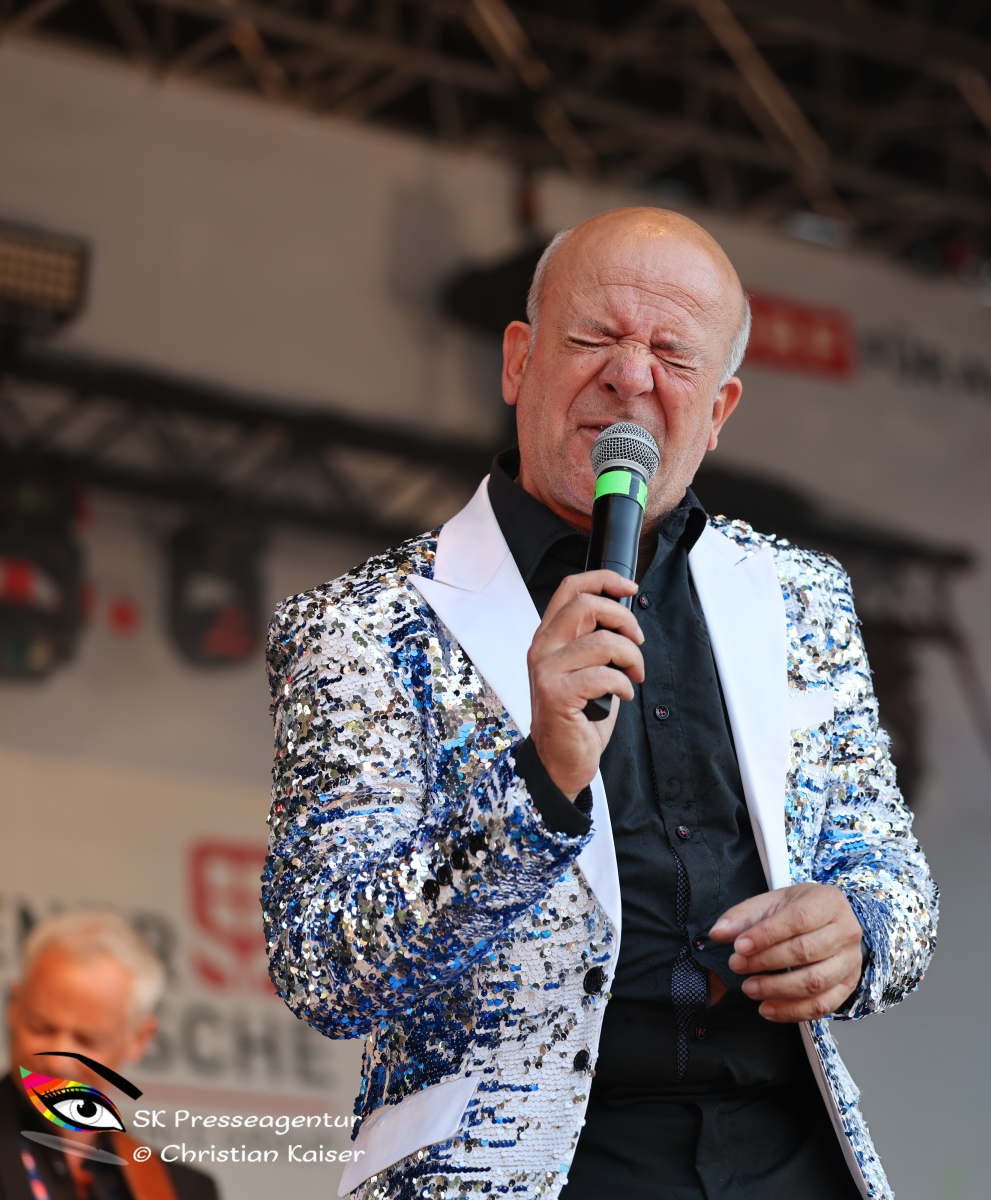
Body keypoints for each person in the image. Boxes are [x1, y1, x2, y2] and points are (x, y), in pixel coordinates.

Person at [263, 207, 937, 1199]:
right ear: (518, 362)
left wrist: (859, 931)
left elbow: (895, 881)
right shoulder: (365, 625)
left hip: (785, 1154)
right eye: (595, 339)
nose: (630, 376)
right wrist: (537, 786)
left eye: (673, 354)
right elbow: (327, 967)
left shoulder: (798, 595)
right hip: (526, 1172)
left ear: (718, 410)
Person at [0, 911, 219, 1200]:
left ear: (140, 1039)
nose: (58, 1061)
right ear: (14, 1008)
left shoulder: (183, 1189)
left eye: (87, 1040)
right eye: (40, 1028)